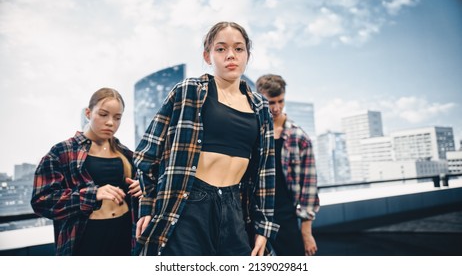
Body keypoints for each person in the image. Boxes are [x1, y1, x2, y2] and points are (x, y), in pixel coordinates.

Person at [134, 21, 279, 256]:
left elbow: (265, 172)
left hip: (235, 207)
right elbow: (146, 153)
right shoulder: (188, 91)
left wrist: (264, 227)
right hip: (189, 204)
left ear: (247, 55)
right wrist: (148, 205)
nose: (230, 55)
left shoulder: (261, 106)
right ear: (208, 55)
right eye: (221, 49)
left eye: (239, 49)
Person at [31, 88, 142, 256]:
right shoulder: (62, 151)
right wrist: (93, 194)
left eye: (117, 117)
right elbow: (41, 201)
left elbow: (148, 189)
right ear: (88, 113)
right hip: (86, 239)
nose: (111, 122)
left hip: (125, 234)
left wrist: (143, 188)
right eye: (103, 115)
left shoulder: (127, 154)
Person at [256, 74, 320, 256]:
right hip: (257, 215)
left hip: (286, 217)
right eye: (271, 102)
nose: (276, 108)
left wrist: (306, 233)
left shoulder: (300, 138)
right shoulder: (254, 132)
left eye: (280, 101)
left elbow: (309, 187)